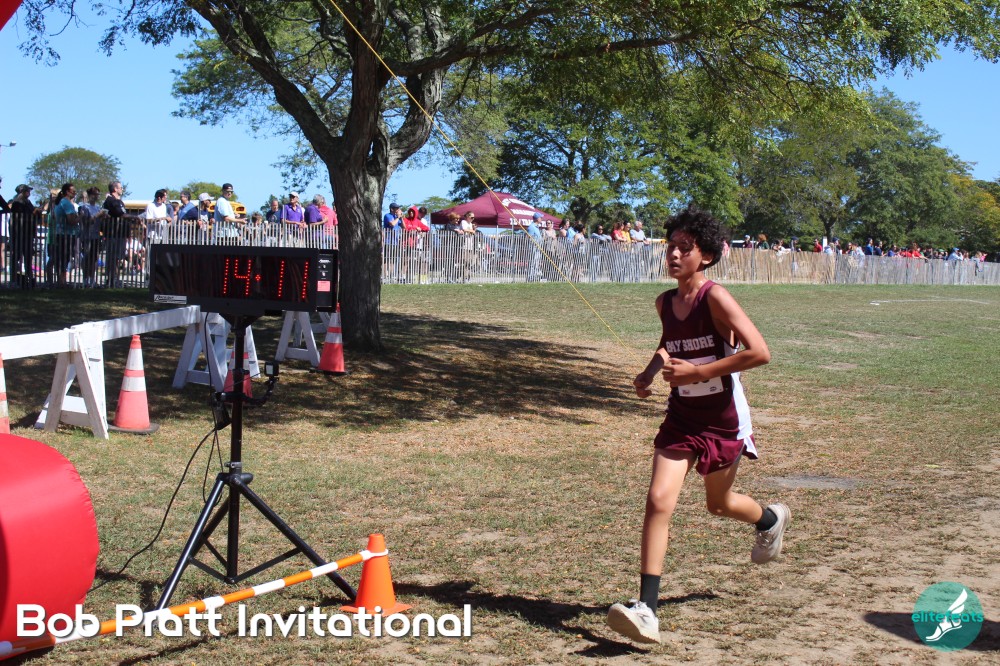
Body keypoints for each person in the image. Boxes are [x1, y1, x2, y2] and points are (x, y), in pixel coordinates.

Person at [606, 206, 789, 645]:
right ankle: (647, 609)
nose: (673, 254)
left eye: (684, 248)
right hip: (682, 417)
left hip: (724, 419)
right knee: (658, 500)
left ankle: (769, 519)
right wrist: (650, 372)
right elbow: (669, 344)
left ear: (705, 255)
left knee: (719, 504)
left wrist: (699, 372)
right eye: (670, 246)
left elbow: (759, 352)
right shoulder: (664, 302)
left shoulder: (716, 297)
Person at [101, 180, 134, 287]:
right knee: (112, 257)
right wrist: (135, 217)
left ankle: (115, 279)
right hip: (113, 234)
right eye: (120, 187)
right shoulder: (110, 201)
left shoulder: (119, 202)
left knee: (117, 258)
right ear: (115, 189)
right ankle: (111, 279)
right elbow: (120, 214)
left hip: (121, 234)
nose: (122, 189)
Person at [9, 184, 38, 287]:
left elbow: (32, 212)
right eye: (27, 191)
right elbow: (21, 216)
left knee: (28, 257)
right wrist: (33, 213)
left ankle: (29, 277)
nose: (29, 193)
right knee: (16, 256)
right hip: (19, 233)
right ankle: (14, 279)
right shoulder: (17, 202)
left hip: (28, 233)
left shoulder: (27, 202)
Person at [78, 186, 103, 287]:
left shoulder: (98, 207)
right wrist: (97, 215)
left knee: (94, 259)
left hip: (96, 236)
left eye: (98, 195)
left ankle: (92, 279)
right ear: (90, 195)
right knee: (87, 258)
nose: (97, 196)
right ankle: (85, 279)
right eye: (95, 194)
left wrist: (103, 216)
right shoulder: (84, 207)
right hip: (87, 236)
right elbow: (86, 221)